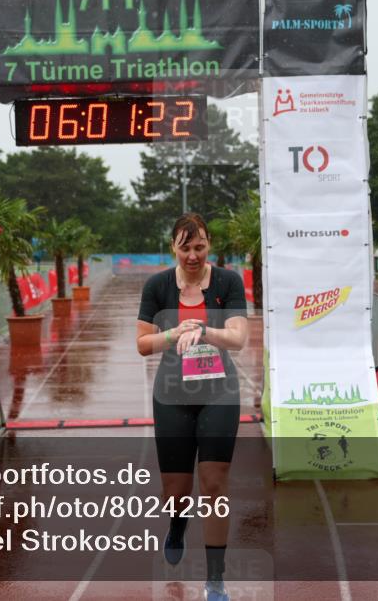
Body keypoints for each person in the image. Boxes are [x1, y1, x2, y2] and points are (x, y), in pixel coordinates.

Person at [136, 213, 248, 601]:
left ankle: (215, 580)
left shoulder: (228, 282)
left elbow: (238, 338)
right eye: (185, 248)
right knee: (177, 492)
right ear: (173, 247)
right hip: (172, 396)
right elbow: (142, 344)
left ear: (209, 244)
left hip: (219, 393)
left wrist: (203, 330)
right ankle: (177, 523)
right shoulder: (157, 286)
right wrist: (173, 333)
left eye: (200, 247)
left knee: (214, 484)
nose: (193, 255)